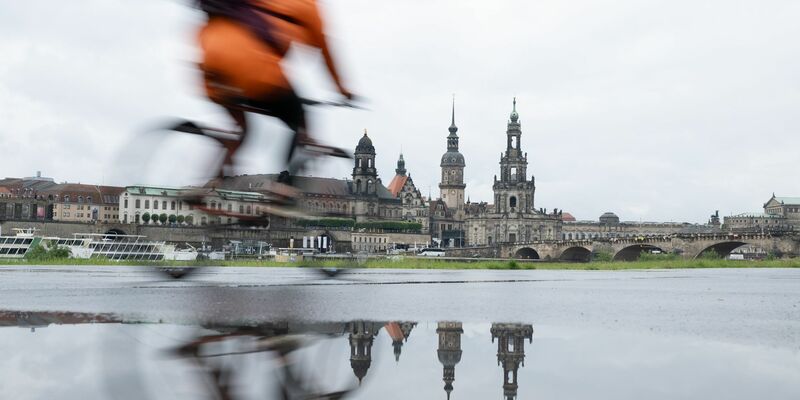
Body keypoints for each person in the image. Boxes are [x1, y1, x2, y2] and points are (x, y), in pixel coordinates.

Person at [193, 0, 354, 179]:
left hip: (209, 58)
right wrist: (342, 89)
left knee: (241, 129)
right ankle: (282, 188)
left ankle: (211, 184)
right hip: (253, 67)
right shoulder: (309, 5)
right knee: (301, 122)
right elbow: (324, 51)